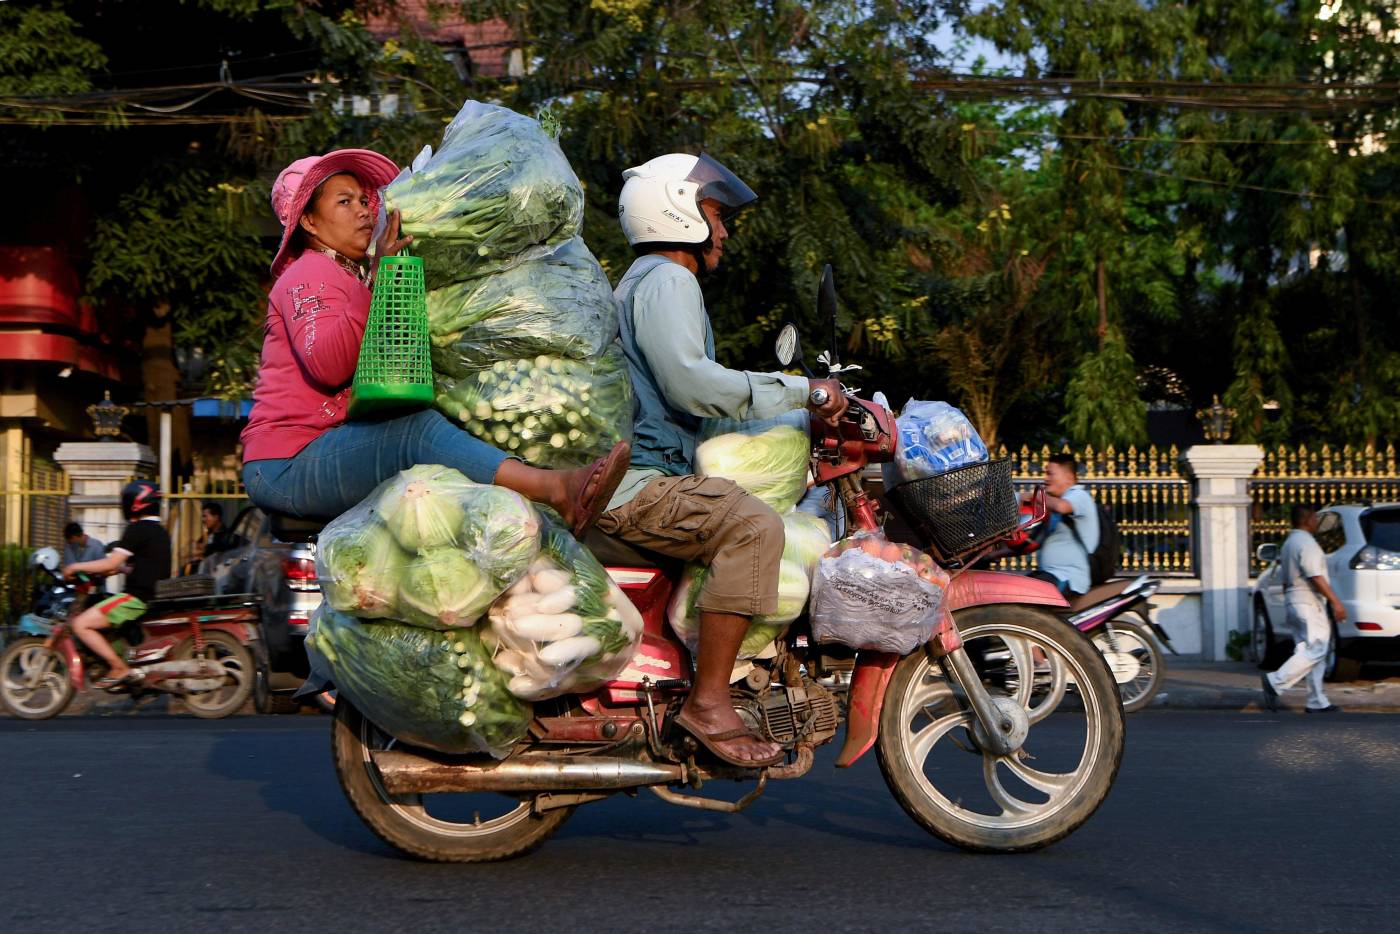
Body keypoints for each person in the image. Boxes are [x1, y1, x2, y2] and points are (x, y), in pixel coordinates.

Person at [600, 152, 847, 768]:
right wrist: (803, 391)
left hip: (632, 475)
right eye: (716, 213)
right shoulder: (666, 278)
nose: (725, 229)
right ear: (679, 212)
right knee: (753, 526)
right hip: (637, 486)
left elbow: (695, 404)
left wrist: (783, 418)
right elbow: (693, 385)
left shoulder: (647, 280)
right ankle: (710, 701)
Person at [239, 149, 629, 535]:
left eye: (363, 200)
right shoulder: (308, 275)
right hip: (287, 463)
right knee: (414, 432)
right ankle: (556, 489)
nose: (362, 211)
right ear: (308, 220)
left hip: (331, 447)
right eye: (344, 202)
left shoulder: (350, 274)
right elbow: (329, 364)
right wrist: (378, 279)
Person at [61, 480, 172, 690]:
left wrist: (75, 567)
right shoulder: (158, 531)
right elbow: (124, 567)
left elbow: (111, 561)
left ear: (135, 503)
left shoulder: (138, 529)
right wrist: (115, 570)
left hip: (137, 598)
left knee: (80, 624)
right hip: (150, 594)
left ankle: (118, 667)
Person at [1261, 505, 1344, 713]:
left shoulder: (1290, 542)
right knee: (1317, 647)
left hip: (1294, 600)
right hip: (1308, 601)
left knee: (1309, 652)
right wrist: (1336, 602)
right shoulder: (1306, 543)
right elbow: (1315, 576)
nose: (1318, 522)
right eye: (1315, 518)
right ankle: (1276, 681)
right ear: (1308, 520)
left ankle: (1316, 701)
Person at [1025, 453, 1099, 598]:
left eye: (1050, 474)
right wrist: (992, 555)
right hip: (1051, 575)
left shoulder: (1078, 495)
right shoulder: (1054, 510)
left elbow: (1062, 507)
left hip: (1067, 578)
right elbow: (1031, 543)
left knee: (1019, 593)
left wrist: (1034, 496)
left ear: (1069, 477)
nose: (1045, 479)